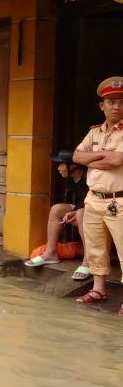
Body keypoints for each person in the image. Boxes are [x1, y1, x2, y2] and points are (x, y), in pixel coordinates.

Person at [72, 76, 123, 316]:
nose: (116, 106)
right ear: (101, 105)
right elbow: (76, 156)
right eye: (110, 101)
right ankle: (98, 289)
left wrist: (94, 158)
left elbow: (118, 160)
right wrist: (104, 158)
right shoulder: (94, 132)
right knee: (95, 247)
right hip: (94, 198)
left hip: (120, 199)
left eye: (121, 101)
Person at [24, 150, 89, 277]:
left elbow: (90, 199)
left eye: (61, 164)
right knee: (56, 209)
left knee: (81, 213)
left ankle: (88, 261)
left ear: (72, 166)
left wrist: (75, 212)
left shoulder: (90, 177)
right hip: (82, 208)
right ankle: (51, 253)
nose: (58, 168)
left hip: (97, 210)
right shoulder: (71, 179)